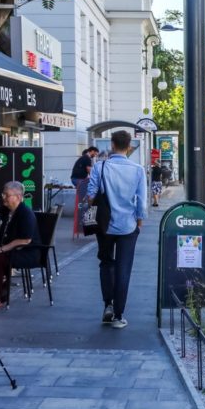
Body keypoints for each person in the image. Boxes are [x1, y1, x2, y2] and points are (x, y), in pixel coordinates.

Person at [86, 131, 147, 329]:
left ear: (112, 145)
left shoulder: (99, 166)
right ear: (129, 146)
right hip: (128, 226)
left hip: (104, 225)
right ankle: (119, 315)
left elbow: (90, 196)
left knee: (106, 263)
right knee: (124, 269)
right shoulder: (138, 170)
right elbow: (142, 202)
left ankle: (108, 305)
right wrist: (139, 222)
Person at [0, 182, 40, 309]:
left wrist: (1, 249)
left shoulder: (25, 213)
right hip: (13, 250)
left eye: (7, 195)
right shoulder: (5, 211)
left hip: (28, 252)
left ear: (19, 197)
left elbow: (25, 240)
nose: (3, 197)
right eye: (3, 194)